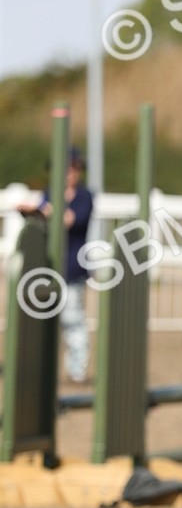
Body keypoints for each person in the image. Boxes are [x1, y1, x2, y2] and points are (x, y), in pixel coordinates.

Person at [18, 146, 94, 383]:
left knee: (72, 320)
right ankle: (44, 368)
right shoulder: (50, 193)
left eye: (72, 169)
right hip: (48, 270)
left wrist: (45, 210)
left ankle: (77, 370)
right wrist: (34, 212)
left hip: (71, 270)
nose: (68, 173)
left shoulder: (84, 197)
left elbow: (70, 220)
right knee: (44, 322)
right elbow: (44, 221)